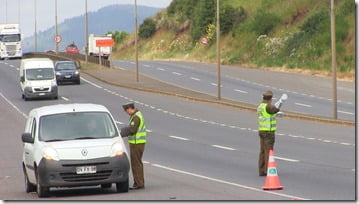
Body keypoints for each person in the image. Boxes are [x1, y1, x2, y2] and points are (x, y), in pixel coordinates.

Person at [121, 102, 147, 190]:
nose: (126, 112)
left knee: (136, 164)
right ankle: (139, 182)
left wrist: (121, 134)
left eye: (126, 110)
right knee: (137, 163)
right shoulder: (136, 115)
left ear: (130, 108)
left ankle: (139, 183)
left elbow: (132, 130)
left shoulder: (136, 117)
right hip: (137, 143)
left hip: (137, 143)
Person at [257, 90, 281, 176]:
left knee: (262, 151)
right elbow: (275, 109)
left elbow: (268, 115)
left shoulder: (260, 106)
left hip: (261, 130)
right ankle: (268, 170)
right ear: (270, 99)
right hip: (268, 132)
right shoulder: (268, 106)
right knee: (269, 152)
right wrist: (281, 101)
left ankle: (261, 170)